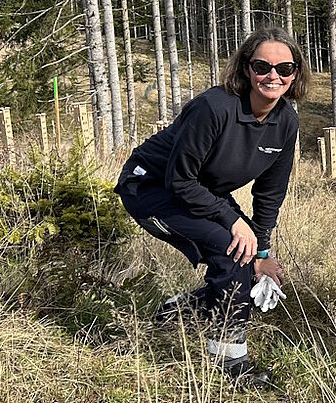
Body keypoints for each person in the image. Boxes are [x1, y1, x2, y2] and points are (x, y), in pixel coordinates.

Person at [115, 26, 309, 384]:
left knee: (250, 259)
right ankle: (228, 363)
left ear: (296, 73)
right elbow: (180, 180)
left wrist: (263, 251)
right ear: (246, 69)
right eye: (262, 66)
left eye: (285, 68)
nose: (273, 76)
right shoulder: (213, 107)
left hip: (200, 191)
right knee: (232, 251)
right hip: (150, 187)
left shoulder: (286, 122)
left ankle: (182, 310)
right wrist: (233, 223)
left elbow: (270, 193)